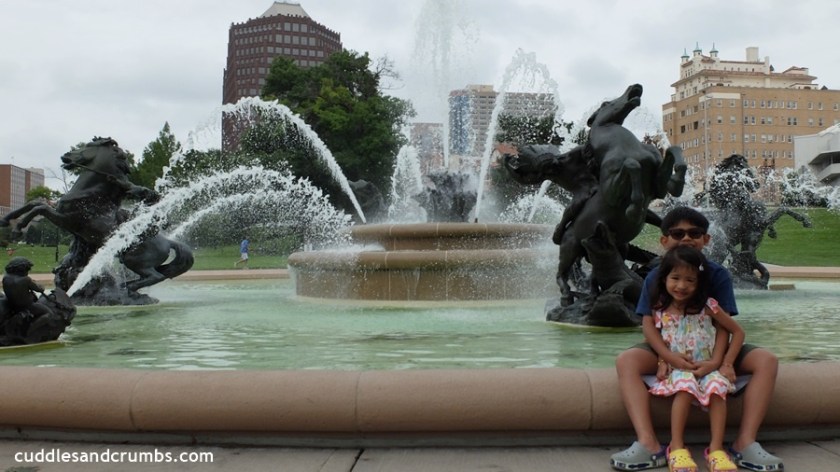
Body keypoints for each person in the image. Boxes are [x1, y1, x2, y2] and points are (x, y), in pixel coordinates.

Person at [610, 206, 783, 472]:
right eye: (677, 233)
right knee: (626, 360)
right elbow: (648, 322)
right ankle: (649, 444)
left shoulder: (717, 274)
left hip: (712, 344)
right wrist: (664, 357)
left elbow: (725, 325)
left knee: (767, 360)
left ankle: (744, 442)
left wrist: (720, 362)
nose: (686, 238)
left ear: (706, 239)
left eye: (695, 232)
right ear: (664, 240)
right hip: (670, 344)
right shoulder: (655, 276)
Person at [644, 246, 744, 472]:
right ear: (664, 278)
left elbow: (735, 332)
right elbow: (654, 335)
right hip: (678, 368)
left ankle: (716, 449)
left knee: (718, 387)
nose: (681, 286)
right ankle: (677, 447)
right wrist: (664, 360)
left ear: (699, 282)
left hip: (708, 367)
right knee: (685, 386)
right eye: (675, 278)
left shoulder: (709, 307)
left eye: (690, 280)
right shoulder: (659, 307)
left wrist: (721, 362)